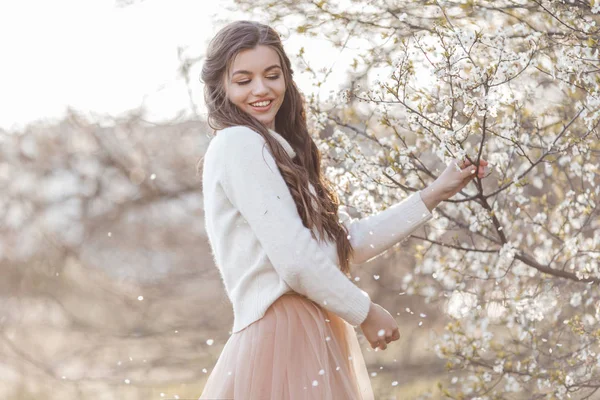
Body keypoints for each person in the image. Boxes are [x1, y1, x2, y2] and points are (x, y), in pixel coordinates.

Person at [198, 20, 488, 400]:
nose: (261, 89)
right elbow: (297, 262)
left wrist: (434, 193)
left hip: (301, 327)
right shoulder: (239, 143)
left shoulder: (273, 149)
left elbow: (341, 243)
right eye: (243, 80)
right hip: (282, 329)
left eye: (272, 75)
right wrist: (363, 311)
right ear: (220, 86)